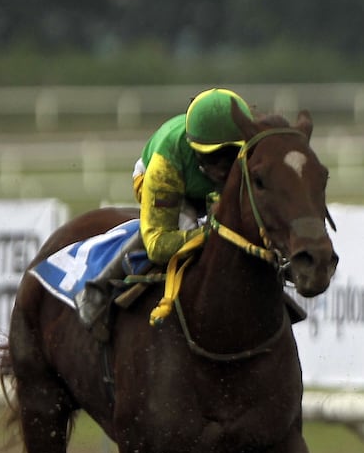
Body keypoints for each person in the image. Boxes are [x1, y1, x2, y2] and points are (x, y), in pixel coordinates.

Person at [76, 87, 250, 337]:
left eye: (231, 155)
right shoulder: (165, 163)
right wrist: (212, 234)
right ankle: (96, 290)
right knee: (187, 232)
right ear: (194, 148)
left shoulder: (251, 150)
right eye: (213, 157)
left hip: (203, 186)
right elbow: (158, 244)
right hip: (160, 180)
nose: (223, 169)